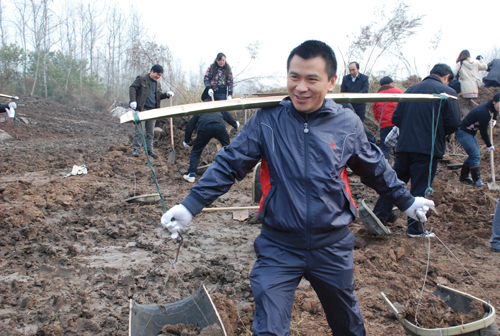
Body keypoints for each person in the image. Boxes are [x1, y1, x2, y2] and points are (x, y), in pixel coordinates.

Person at [160, 40, 434, 335]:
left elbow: (375, 168)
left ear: (331, 82)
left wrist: (406, 201)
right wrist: (190, 206)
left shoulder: (347, 123)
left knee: (348, 325)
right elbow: (229, 164)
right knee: (269, 328)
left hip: (332, 245)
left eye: (311, 79)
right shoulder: (267, 121)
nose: (301, 87)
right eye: (294, 77)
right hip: (279, 246)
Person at [362, 64, 461, 237]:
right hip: (427, 149)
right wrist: (437, 132)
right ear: (446, 76)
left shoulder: (410, 90)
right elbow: (453, 123)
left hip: (404, 146)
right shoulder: (447, 92)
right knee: (420, 187)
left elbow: (396, 118)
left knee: (394, 184)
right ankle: (415, 229)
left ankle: (379, 218)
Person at [182, 89, 240, 183]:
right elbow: (227, 116)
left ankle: (191, 175)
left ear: (203, 100)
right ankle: (234, 171)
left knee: (196, 151)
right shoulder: (216, 105)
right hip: (220, 127)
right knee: (228, 149)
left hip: (205, 129)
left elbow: (190, 126)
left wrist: (187, 140)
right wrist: (235, 124)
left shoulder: (200, 108)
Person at [129, 64, 174, 158]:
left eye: (160, 75)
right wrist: (133, 100)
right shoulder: (141, 79)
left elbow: (158, 96)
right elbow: (132, 88)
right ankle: (136, 149)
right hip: (142, 109)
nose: (158, 76)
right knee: (140, 131)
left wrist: (166, 95)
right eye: (157, 74)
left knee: (150, 132)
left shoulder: (158, 84)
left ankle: (149, 150)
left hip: (153, 110)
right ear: (152, 71)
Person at [456, 92, 500, 186]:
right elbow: (483, 132)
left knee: (474, 155)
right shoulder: (483, 112)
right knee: (475, 155)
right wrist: (489, 145)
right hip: (463, 132)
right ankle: (477, 181)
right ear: (494, 102)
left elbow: (495, 111)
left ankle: (464, 177)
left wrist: (494, 119)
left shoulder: (491, 108)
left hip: (470, 132)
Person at [373, 76, 403, 160]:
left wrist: (381, 121)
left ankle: (383, 167)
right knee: (400, 147)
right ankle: (398, 167)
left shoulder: (377, 95)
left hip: (385, 124)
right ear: (391, 83)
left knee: (384, 148)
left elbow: (375, 112)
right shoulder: (399, 92)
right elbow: (405, 106)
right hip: (398, 124)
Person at [453, 50, 488, 118]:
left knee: (464, 105)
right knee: (467, 100)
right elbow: (485, 67)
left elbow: (453, 73)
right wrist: (481, 60)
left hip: (464, 87)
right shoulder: (476, 63)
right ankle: (476, 105)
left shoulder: (460, 63)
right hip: (474, 87)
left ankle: (466, 120)